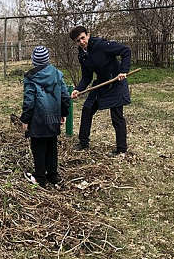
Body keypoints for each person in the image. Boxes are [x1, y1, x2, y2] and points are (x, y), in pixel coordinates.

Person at [69, 26, 131, 156]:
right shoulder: (82, 54)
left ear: (88, 35)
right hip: (102, 83)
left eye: (82, 38)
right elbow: (87, 76)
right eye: (78, 41)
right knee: (87, 108)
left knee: (116, 116)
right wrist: (78, 89)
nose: (81, 42)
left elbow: (126, 51)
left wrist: (123, 71)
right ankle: (83, 142)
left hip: (116, 82)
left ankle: (121, 149)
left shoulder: (101, 45)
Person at [20, 46, 70, 188]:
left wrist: (25, 119)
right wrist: (63, 113)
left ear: (34, 61)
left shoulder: (30, 77)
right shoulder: (57, 73)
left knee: (38, 146)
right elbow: (65, 96)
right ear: (47, 59)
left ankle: (40, 177)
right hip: (53, 115)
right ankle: (53, 175)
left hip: (38, 118)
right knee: (51, 144)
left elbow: (29, 101)